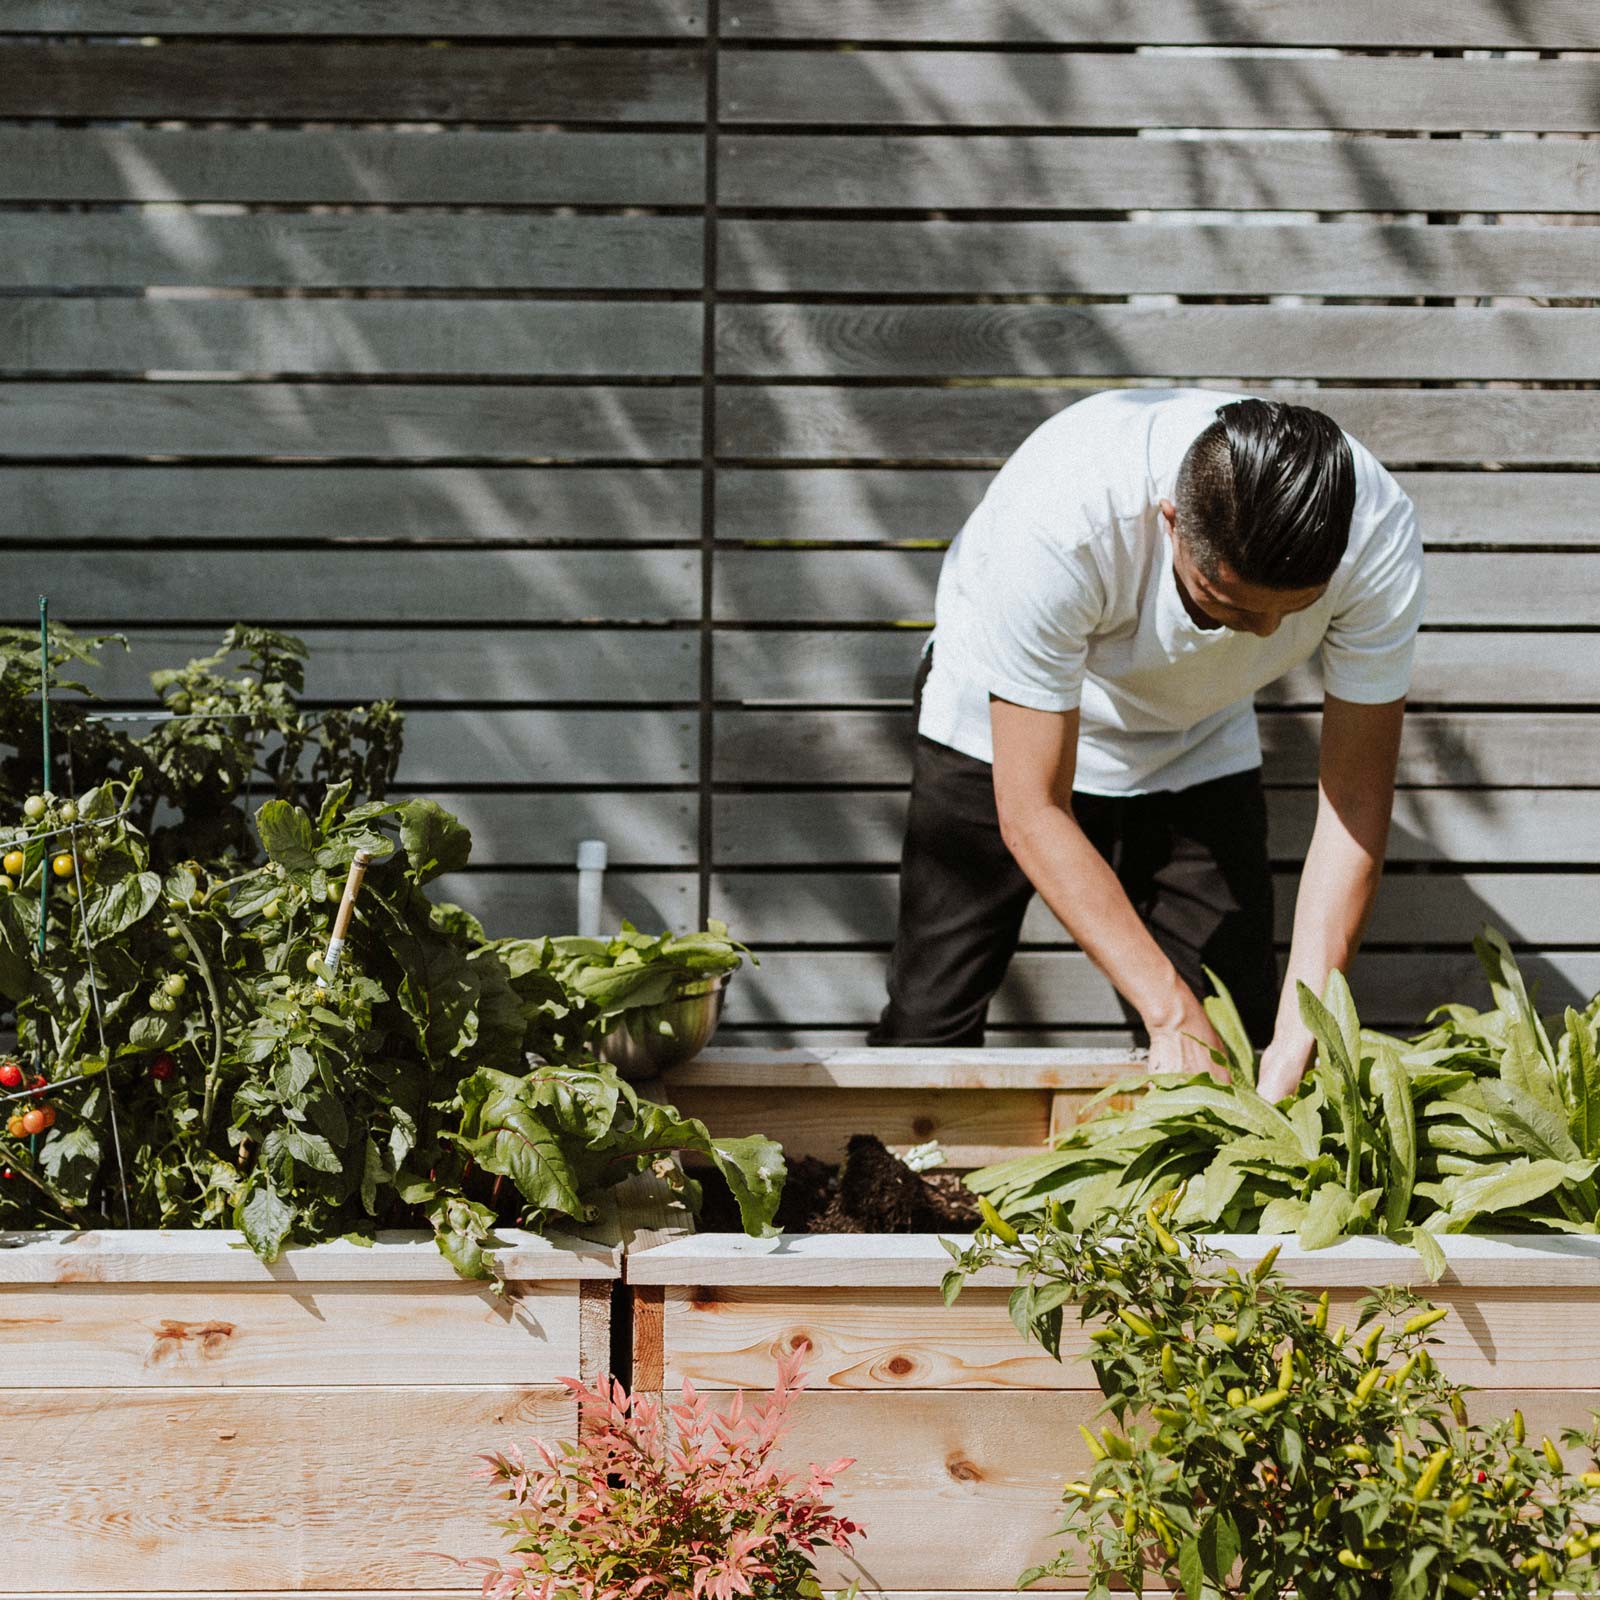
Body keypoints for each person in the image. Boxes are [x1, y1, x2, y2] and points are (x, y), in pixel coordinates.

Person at [868, 388, 1424, 1101]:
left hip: (1195, 734)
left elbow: (1352, 803)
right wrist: (1167, 1011)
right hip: (996, 728)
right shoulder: (1062, 520)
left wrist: (1301, 1030)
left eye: (1293, 612)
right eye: (1225, 604)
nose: (1261, 635)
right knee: (929, 1025)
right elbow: (1033, 809)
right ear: (1171, 524)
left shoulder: (1376, 534)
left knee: (1233, 1034)